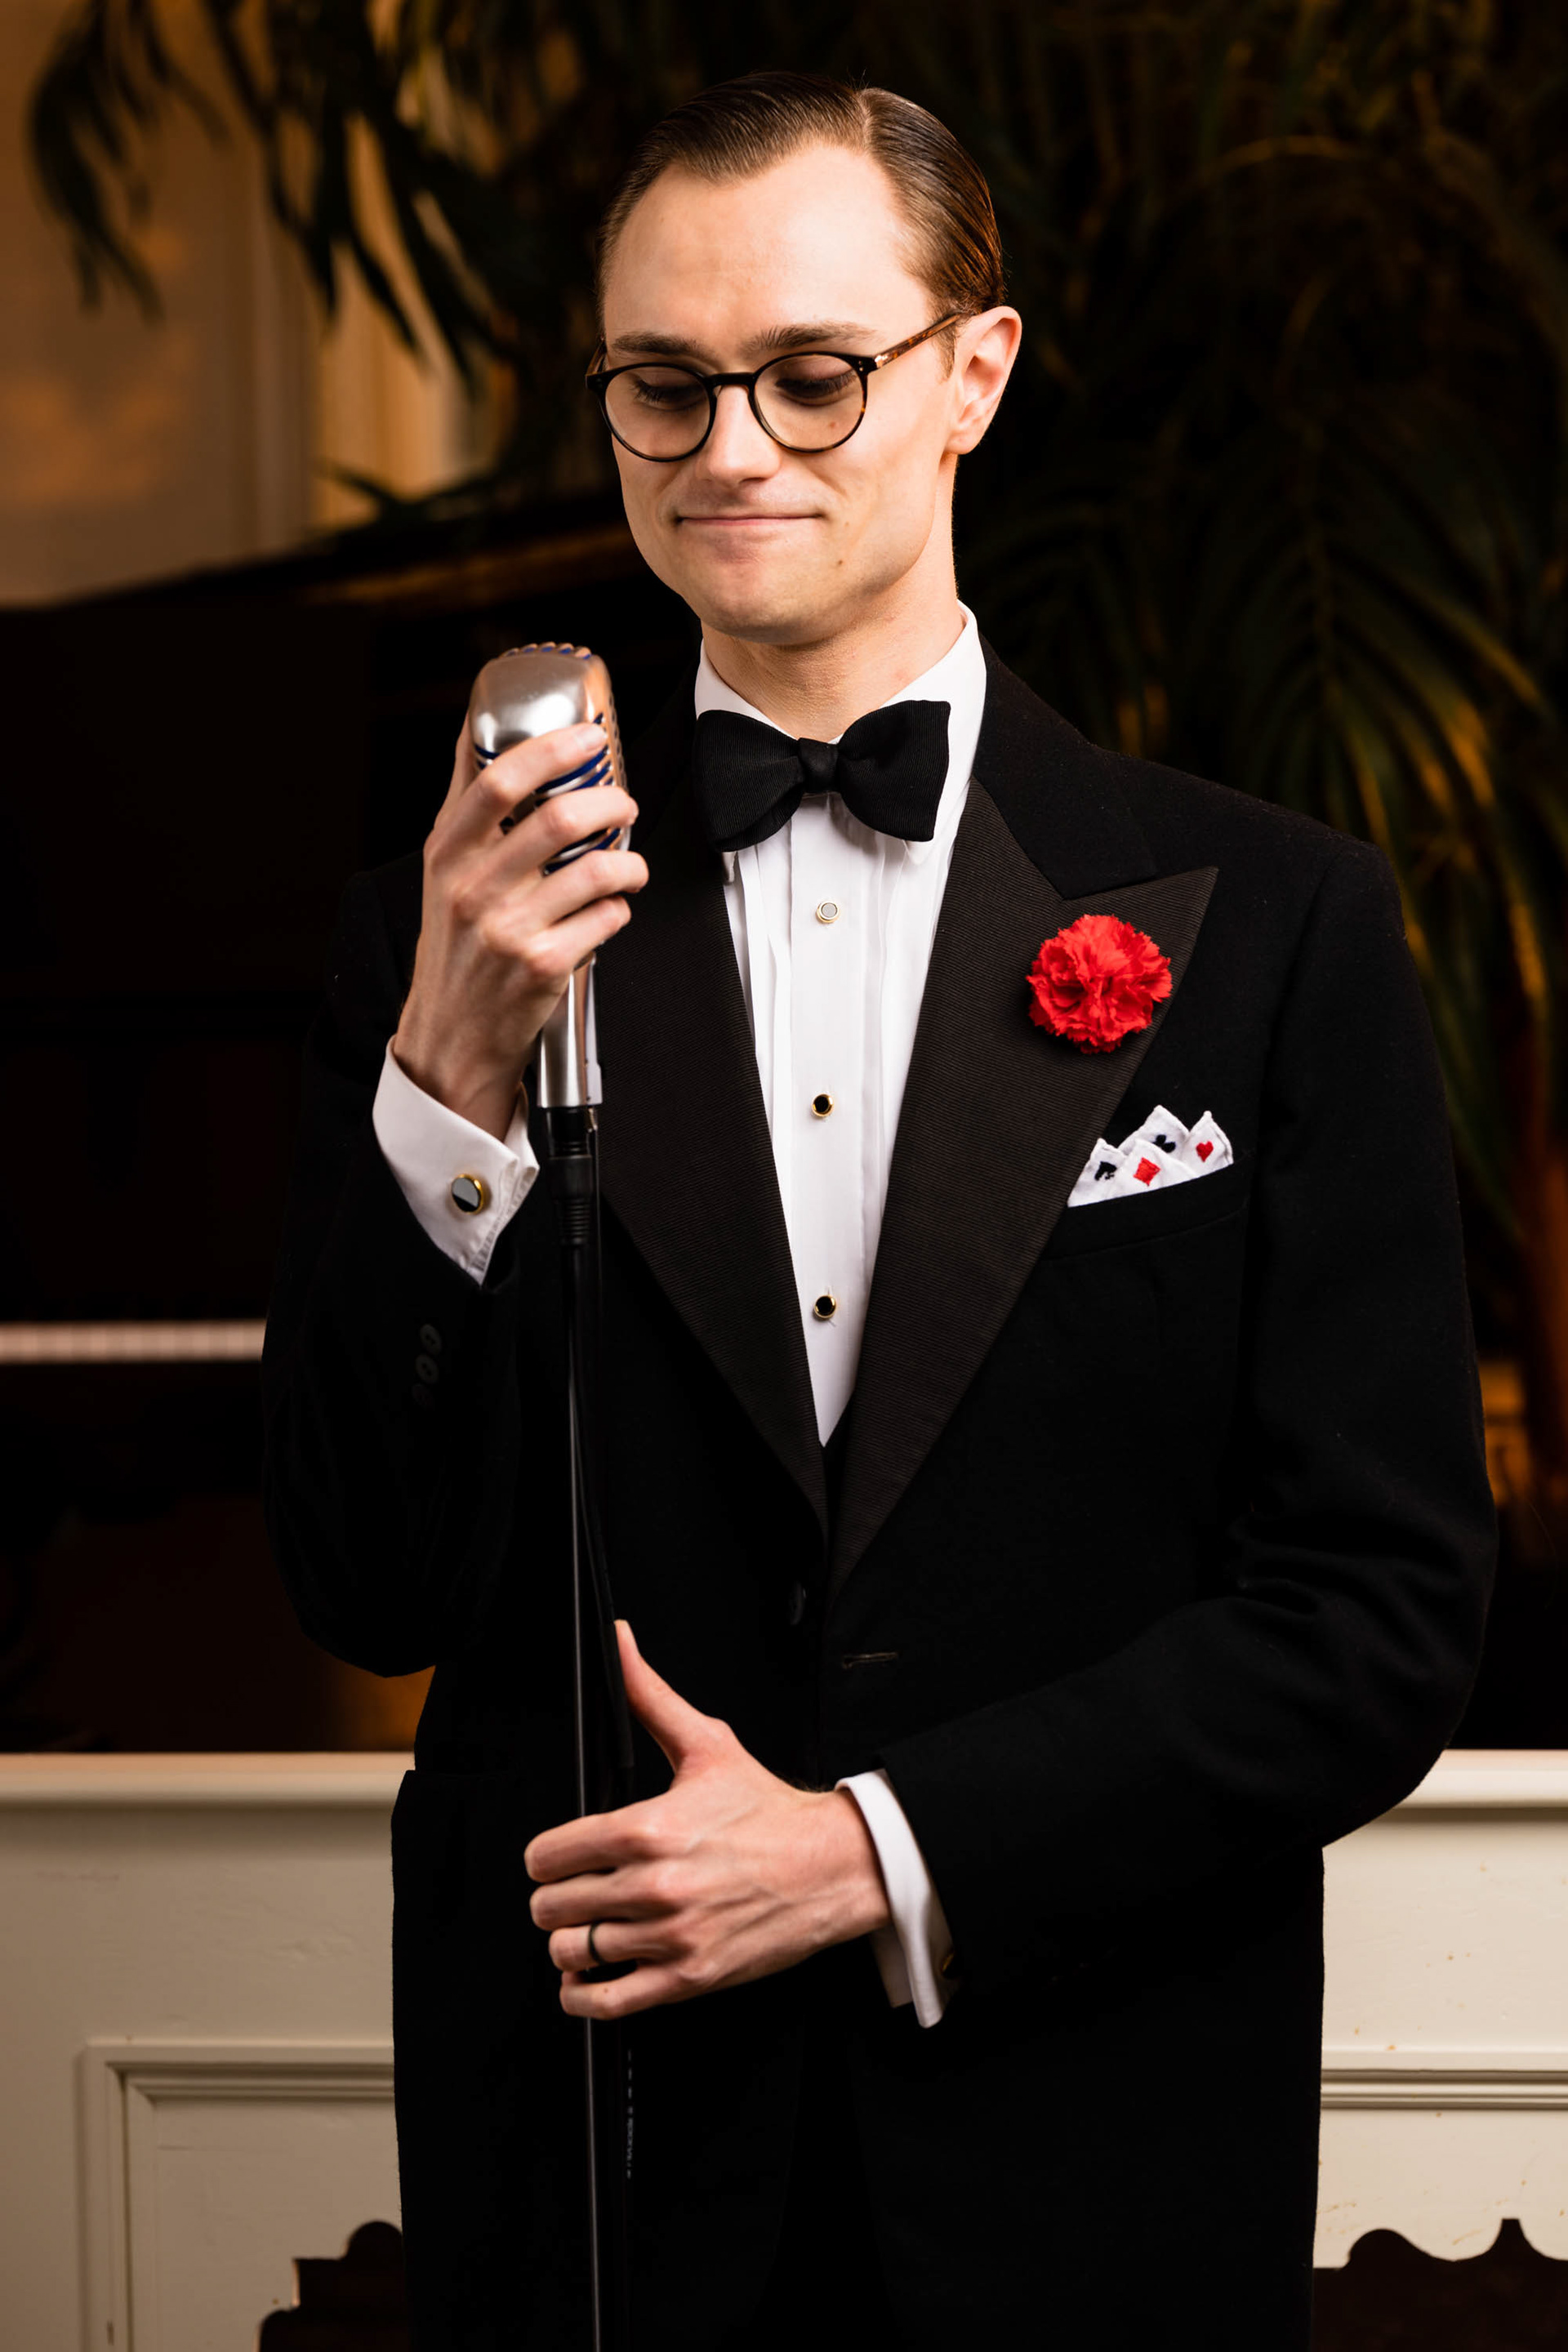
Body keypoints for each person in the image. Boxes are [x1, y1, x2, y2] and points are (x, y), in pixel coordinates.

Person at [262, 69, 1495, 2352]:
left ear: (973, 375)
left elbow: (1379, 1612)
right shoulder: (437, 937)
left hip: (1090, 2161)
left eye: (813, 375)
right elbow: (362, 1574)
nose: (730, 447)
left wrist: (868, 1848)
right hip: (604, 2177)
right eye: (664, 385)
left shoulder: (1275, 923)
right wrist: (445, 1071)